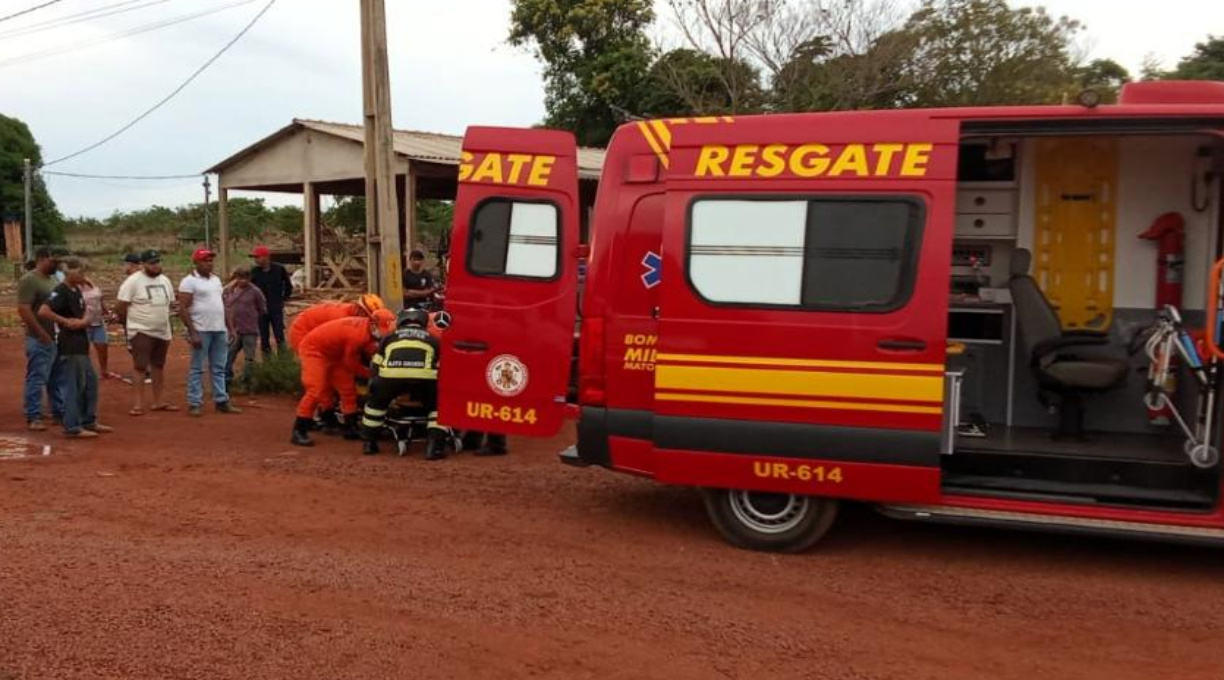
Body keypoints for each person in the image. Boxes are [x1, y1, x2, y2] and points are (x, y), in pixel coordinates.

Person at [291, 309, 397, 447]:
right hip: (314, 351)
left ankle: (350, 428)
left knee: (348, 390)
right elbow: (350, 363)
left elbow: (368, 351)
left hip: (335, 353)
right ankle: (299, 430)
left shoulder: (367, 331)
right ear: (373, 324)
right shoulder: (357, 335)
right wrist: (369, 373)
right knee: (315, 390)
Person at [38, 258, 113, 439]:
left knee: (90, 383)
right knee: (75, 385)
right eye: (79, 272)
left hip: (81, 342)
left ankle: (89, 420)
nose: (83, 276)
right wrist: (65, 322)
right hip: (70, 344)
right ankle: (72, 426)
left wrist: (84, 321)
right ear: (68, 272)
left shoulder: (77, 290)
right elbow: (43, 311)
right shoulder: (61, 291)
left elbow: (84, 311)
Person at [360, 308, 447, 459]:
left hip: (390, 378)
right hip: (424, 378)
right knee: (440, 408)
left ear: (400, 321)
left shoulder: (389, 337)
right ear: (424, 322)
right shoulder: (433, 339)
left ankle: (369, 443)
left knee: (375, 407)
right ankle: (434, 448)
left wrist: (375, 386)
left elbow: (376, 364)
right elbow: (442, 366)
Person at [178, 249, 242, 417]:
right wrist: (192, 332)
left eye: (211, 260)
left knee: (219, 367)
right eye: (205, 260)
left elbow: (222, 304)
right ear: (196, 262)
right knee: (197, 367)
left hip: (218, 329)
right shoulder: (189, 282)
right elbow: (183, 308)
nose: (209, 263)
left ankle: (221, 400)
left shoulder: (216, 280)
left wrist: (230, 327)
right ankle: (194, 402)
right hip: (201, 329)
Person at [115, 250, 177, 416]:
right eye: (152, 263)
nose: (156, 266)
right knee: (140, 366)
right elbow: (121, 306)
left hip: (162, 330)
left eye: (158, 262)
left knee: (158, 365)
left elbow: (170, 303)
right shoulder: (133, 281)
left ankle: (158, 401)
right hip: (141, 329)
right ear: (143, 264)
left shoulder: (165, 280)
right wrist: (127, 324)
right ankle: (138, 404)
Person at [17, 248, 64, 431]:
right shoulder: (29, 280)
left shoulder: (52, 279)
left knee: (56, 377)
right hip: (40, 337)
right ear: (42, 259)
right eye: (53, 261)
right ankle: (33, 415)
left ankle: (58, 411)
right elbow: (24, 309)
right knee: (37, 377)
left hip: (54, 336)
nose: (56, 265)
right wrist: (40, 333)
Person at [286, 294, 385, 351]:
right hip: (302, 333)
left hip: (312, 330)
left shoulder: (352, 313)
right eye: (367, 316)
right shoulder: (340, 319)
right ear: (361, 310)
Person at [224, 267, 267, 391]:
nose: (242, 281)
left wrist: (252, 316)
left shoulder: (255, 291)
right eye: (239, 278)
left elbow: (262, 309)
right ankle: (227, 381)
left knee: (249, 359)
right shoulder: (230, 290)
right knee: (228, 356)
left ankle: (247, 383)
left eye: (245, 278)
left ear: (249, 278)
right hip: (234, 330)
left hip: (250, 330)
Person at [250, 245, 293, 358]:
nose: (256, 260)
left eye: (257, 257)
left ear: (266, 257)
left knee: (279, 334)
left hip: (276, 307)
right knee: (264, 337)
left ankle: (283, 360)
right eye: (255, 257)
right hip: (260, 309)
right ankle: (267, 362)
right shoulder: (254, 272)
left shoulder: (279, 269)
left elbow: (288, 285)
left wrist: (283, 299)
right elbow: (250, 288)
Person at [79, 273, 118, 380]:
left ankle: (104, 371)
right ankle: (83, 373)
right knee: (83, 349)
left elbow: (99, 300)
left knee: (102, 346)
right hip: (84, 324)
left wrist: (107, 313)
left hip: (98, 322)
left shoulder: (91, 283)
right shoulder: (74, 287)